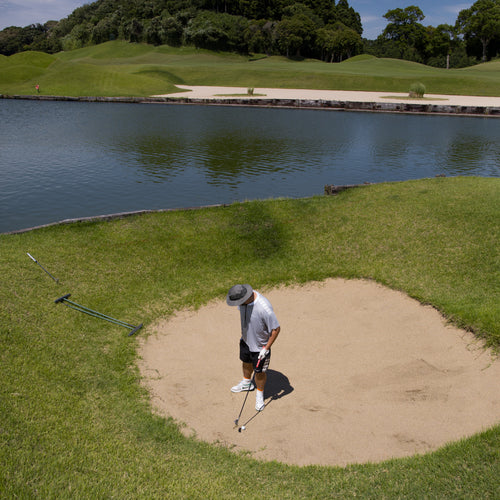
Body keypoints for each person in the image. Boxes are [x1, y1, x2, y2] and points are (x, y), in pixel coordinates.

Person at [226, 284, 280, 411]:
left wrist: (266, 348)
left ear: (246, 297)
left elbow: (276, 329)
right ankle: (246, 383)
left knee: (259, 372)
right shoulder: (243, 301)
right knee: (245, 361)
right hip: (245, 340)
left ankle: (260, 394)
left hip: (260, 346)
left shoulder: (264, 308)